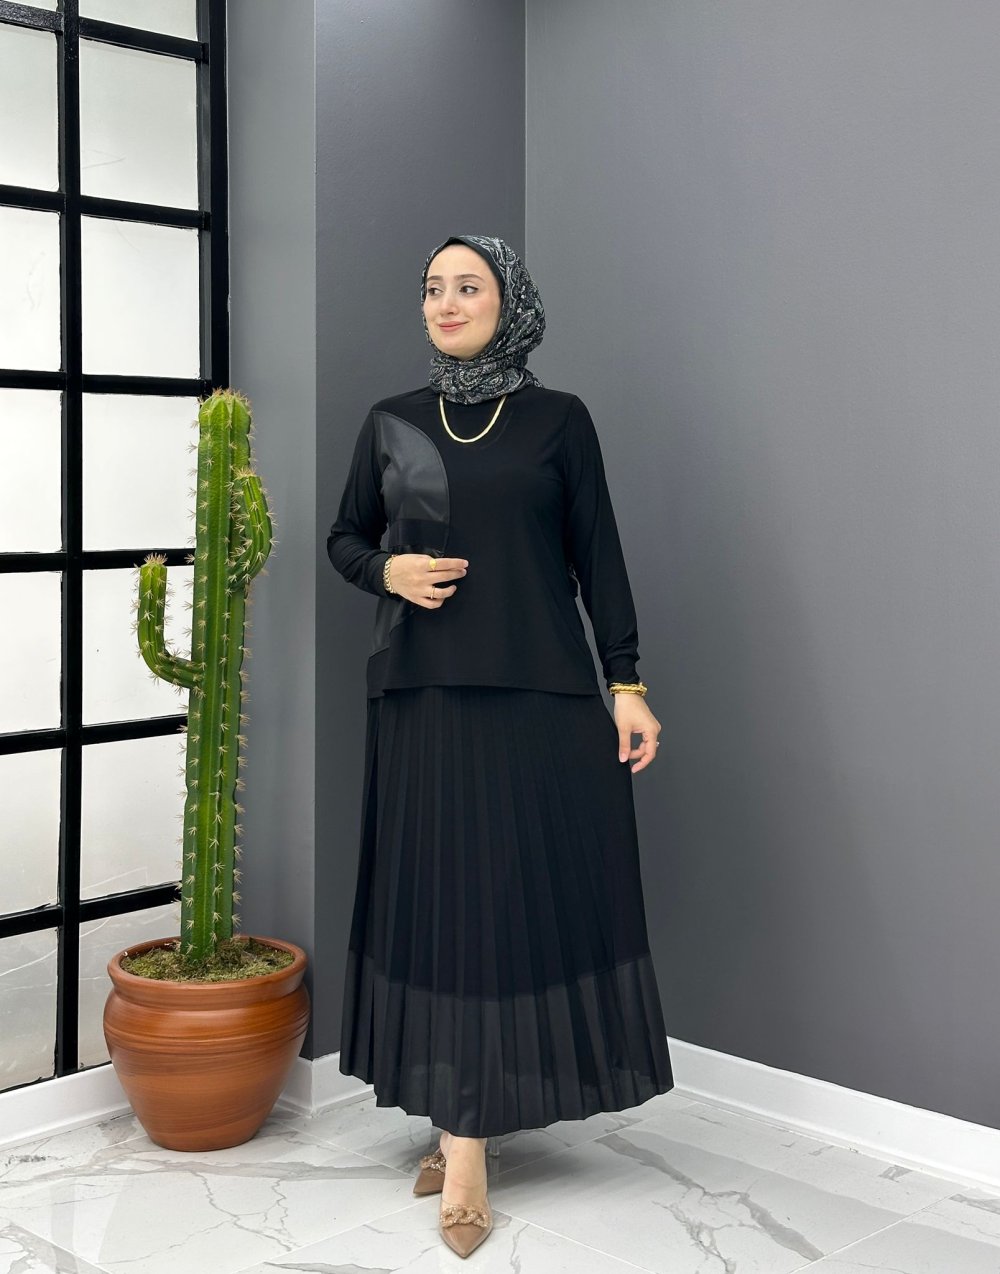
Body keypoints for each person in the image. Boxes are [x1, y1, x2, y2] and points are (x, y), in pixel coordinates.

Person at [327, 234, 674, 1258]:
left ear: (507, 300)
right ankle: (462, 1136)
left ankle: (465, 1125)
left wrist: (627, 684)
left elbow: (598, 556)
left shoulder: (560, 421)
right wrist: (387, 572)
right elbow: (346, 537)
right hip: (423, 696)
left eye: (466, 286)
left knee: (508, 907)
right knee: (441, 907)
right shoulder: (391, 420)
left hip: (539, 698)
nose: (445, 302)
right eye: (432, 287)